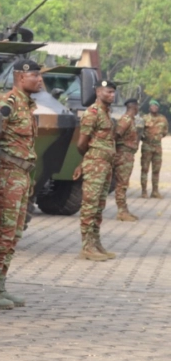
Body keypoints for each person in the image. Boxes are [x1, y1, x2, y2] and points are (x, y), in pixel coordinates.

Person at [0, 59, 43, 310]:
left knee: (14, 234)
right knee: (4, 233)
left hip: (22, 175)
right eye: (35, 75)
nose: (40, 80)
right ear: (21, 77)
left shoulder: (28, 105)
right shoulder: (7, 105)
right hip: (7, 174)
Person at [74, 80, 117, 262]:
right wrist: (90, 158)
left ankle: (96, 243)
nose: (112, 95)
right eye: (108, 92)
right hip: (95, 164)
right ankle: (87, 247)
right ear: (98, 92)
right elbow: (81, 143)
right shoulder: (92, 113)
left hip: (105, 164)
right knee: (90, 206)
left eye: (113, 92)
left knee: (99, 206)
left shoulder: (107, 113)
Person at [113, 99, 140, 221]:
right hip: (123, 154)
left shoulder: (131, 120)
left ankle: (124, 209)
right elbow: (116, 135)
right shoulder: (126, 120)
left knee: (123, 183)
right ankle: (121, 212)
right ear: (134, 107)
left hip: (127, 155)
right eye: (137, 107)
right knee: (121, 184)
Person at [140, 99, 168, 198]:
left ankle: (155, 191)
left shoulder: (163, 119)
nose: (154, 107)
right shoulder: (144, 118)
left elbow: (165, 132)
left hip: (157, 147)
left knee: (156, 170)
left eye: (156, 106)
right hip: (147, 146)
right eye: (152, 106)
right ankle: (144, 191)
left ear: (158, 108)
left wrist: (157, 137)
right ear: (149, 108)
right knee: (145, 169)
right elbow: (140, 132)